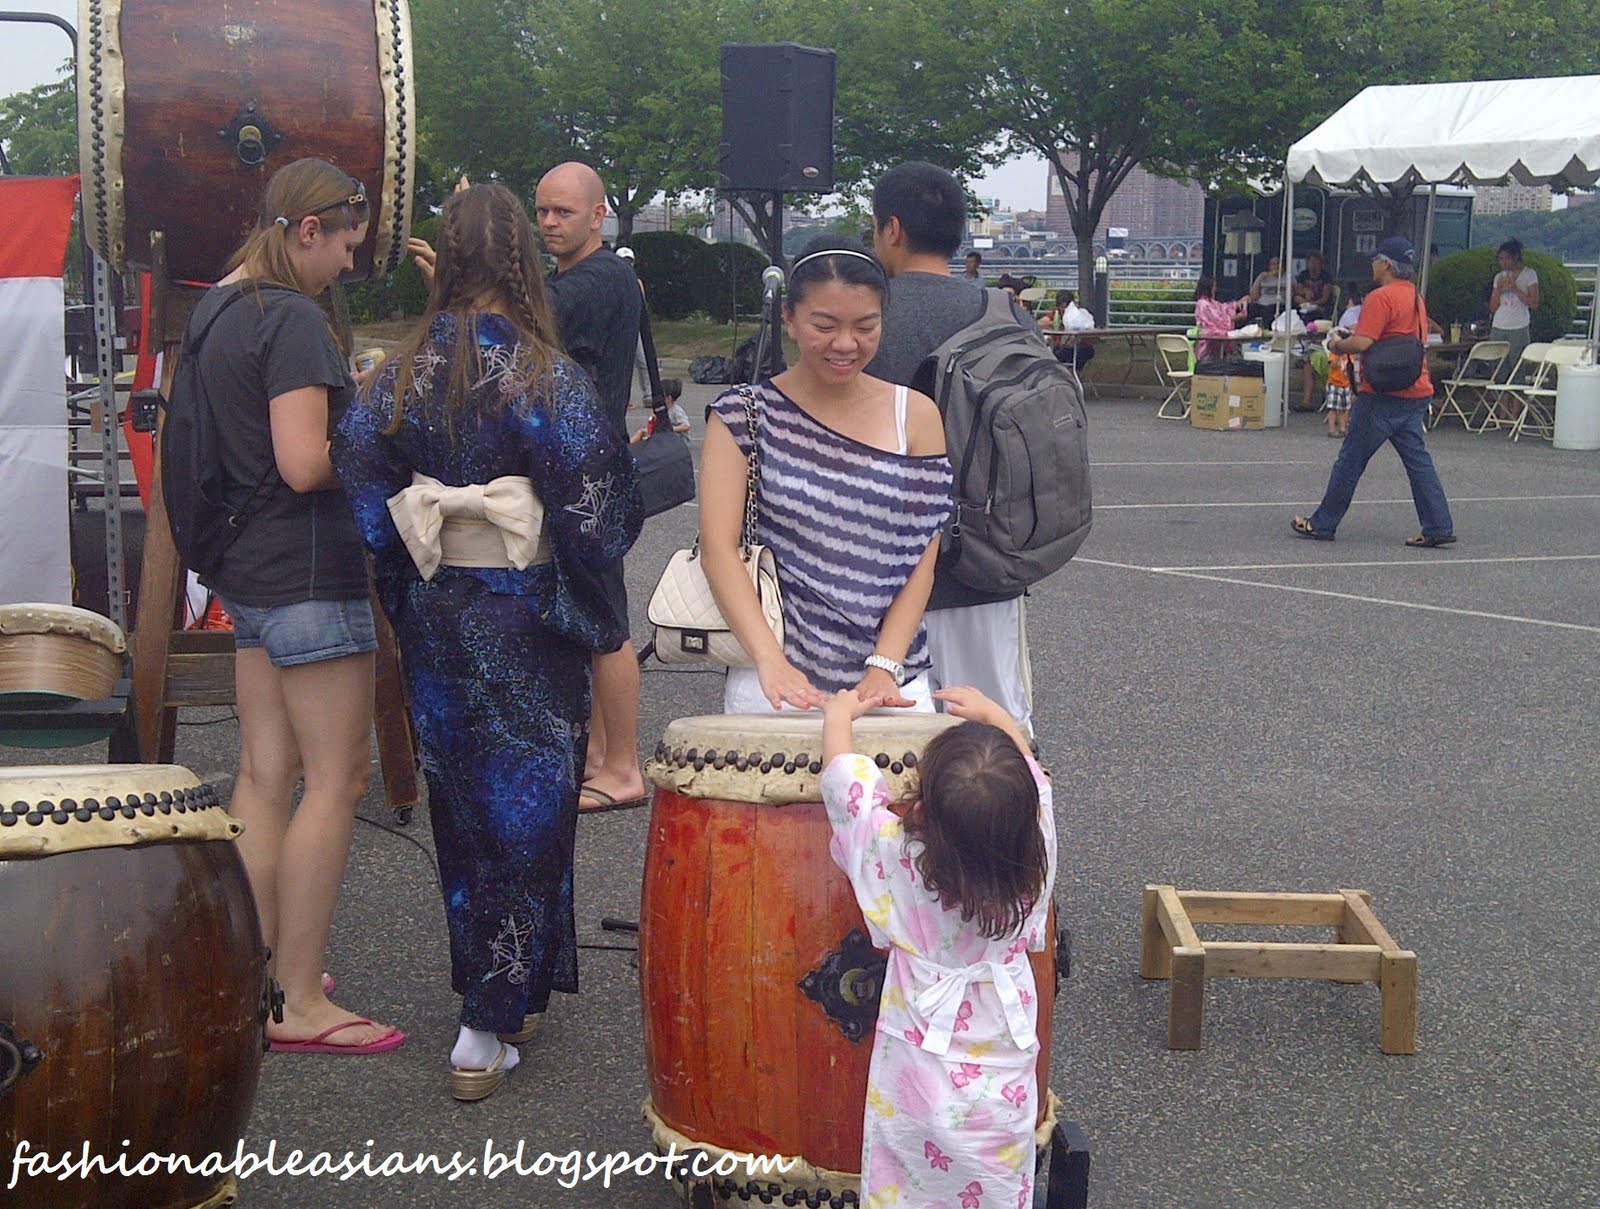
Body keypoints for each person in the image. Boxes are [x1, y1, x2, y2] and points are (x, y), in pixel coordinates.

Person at [332, 184, 643, 1100]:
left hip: (438, 610)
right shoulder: (546, 375)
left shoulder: (394, 373)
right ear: (518, 259)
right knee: (530, 804)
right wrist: (588, 601)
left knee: (462, 801)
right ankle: (486, 1022)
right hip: (524, 612)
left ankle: (508, 981)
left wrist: (405, 573)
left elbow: (362, 483)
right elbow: (597, 512)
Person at [191, 157, 400, 1055]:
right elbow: (305, 464)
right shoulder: (297, 321)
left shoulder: (217, 307)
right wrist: (380, 411)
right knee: (336, 778)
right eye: (346, 244)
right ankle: (301, 998)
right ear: (308, 229)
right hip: (310, 572)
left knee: (264, 772)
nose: (349, 265)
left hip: (246, 570)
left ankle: (252, 968)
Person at [819, 683, 1056, 1209]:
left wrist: (839, 717)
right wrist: (1000, 720)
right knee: (994, 1165)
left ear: (922, 809)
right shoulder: (1032, 850)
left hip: (920, 1055)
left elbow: (850, 796)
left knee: (910, 1169)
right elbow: (1036, 790)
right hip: (1005, 1058)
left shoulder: (904, 861)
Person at [699, 236, 951, 713]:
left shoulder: (914, 414)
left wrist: (885, 666)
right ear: (789, 319)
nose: (845, 344)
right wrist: (769, 660)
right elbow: (718, 550)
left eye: (865, 326)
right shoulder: (743, 415)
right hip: (774, 684)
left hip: (894, 685)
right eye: (825, 325)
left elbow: (922, 555)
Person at [866, 161, 1042, 735]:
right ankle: (1020, 828)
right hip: (991, 565)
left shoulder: (868, 318)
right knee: (997, 742)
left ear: (891, 229)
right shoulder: (1007, 315)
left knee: (890, 748)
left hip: (884, 579)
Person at [533, 161, 648, 813]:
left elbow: (512, 323)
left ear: (597, 214)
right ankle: (604, 757)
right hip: (586, 466)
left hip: (588, 474)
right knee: (596, 615)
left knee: (606, 620)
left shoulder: (591, 282)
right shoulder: (590, 277)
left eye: (564, 212)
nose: (550, 223)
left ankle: (624, 764)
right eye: (543, 211)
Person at [1293, 236, 1455, 548]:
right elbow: (1398, 336)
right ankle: (1438, 524)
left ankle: (1323, 522)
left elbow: (1365, 343)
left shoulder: (1381, 297)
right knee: (1418, 461)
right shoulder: (1416, 298)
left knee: (1351, 460)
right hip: (1415, 386)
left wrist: (1338, 343)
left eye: (1375, 260)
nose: (1372, 265)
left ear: (1385, 265)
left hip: (1382, 392)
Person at [1490, 238, 1540, 378]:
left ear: (1515, 257)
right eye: (1500, 259)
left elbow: (1534, 303)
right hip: (1499, 325)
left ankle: (1516, 398)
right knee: (1498, 367)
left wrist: (1515, 288)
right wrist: (1498, 289)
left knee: (1517, 366)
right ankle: (1502, 399)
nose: (1503, 262)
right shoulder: (1499, 277)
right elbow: (1493, 307)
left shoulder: (1529, 275)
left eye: (1507, 258)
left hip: (1518, 326)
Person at [1193, 276, 1247, 360]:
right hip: (1208, 339)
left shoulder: (1210, 302)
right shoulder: (1203, 304)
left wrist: (1237, 304)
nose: (1215, 288)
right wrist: (1237, 317)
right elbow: (1218, 320)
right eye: (1214, 286)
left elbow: (1223, 307)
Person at [1040, 289, 1096, 369]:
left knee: (1085, 351)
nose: (1063, 309)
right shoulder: (1056, 313)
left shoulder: (1078, 315)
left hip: (1077, 346)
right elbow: (1040, 323)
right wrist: (1054, 323)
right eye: (1061, 307)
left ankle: (1074, 374)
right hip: (1060, 348)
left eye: (1065, 307)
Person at [629, 376, 690, 442]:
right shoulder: (661, 408)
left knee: (653, 438)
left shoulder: (677, 411)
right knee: (641, 432)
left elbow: (686, 426)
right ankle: (627, 445)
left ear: (669, 398)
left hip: (678, 438)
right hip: (664, 434)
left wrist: (669, 428)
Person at [1293, 251, 1336, 321]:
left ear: (1320, 263)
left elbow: (1325, 297)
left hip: (1321, 306)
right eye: (1310, 261)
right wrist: (1305, 290)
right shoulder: (1303, 275)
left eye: (1315, 261)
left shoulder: (1326, 276)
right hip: (1306, 304)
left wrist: (1313, 305)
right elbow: (1298, 290)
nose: (1312, 264)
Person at [1245, 255, 1286, 325]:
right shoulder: (1263, 277)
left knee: (1269, 311)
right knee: (1248, 309)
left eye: (1278, 263)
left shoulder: (1287, 276)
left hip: (1278, 304)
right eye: (1273, 264)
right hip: (1261, 304)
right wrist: (1260, 278)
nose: (1276, 266)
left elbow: (1295, 291)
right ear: (1269, 266)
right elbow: (1253, 296)